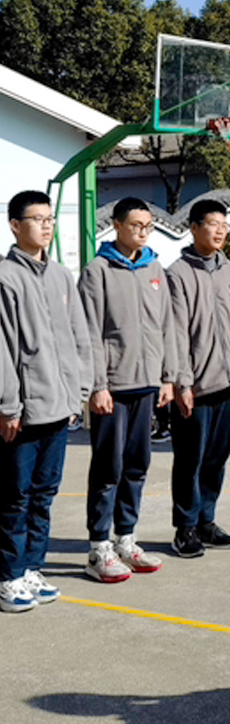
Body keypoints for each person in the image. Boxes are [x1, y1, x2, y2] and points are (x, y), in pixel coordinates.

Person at [0, 191, 92, 613]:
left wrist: (80, 392)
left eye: (50, 219)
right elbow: (4, 349)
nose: (46, 226)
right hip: (24, 410)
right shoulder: (6, 277)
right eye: (37, 219)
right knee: (14, 496)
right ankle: (9, 575)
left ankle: (33, 568)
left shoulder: (60, 275)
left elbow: (78, 337)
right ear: (15, 226)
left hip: (60, 405)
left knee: (45, 493)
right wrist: (9, 406)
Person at [78, 197, 176, 583]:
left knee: (137, 464)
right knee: (108, 467)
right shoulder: (97, 271)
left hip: (147, 382)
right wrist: (97, 385)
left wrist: (167, 376)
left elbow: (166, 324)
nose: (143, 232)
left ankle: (126, 538)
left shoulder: (154, 267)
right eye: (136, 225)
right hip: (113, 386)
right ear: (116, 225)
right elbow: (89, 332)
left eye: (148, 226)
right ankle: (98, 546)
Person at [166, 199, 230, 559]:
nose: (220, 230)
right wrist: (182, 383)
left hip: (228, 380)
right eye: (213, 223)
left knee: (217, 456)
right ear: (194, 227)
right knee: (190, 459)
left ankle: (207, 520)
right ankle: (184, 527)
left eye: (225, 225)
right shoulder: (178, 273)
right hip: (196, 385)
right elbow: (175, 333)